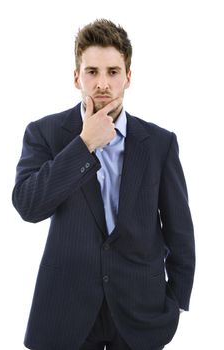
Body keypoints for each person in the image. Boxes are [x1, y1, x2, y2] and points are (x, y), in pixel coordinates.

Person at [12, 19, 195, 350]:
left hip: (141, 310)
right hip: (67, 311)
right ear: (76, 77)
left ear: (128, 77)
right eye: (92, 72)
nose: (102, 83)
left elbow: (179, 229)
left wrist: (177, 300)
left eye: (113, 72)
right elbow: (28, 205)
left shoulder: (159, 143)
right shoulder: (44, 133)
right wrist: (83, 144)